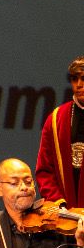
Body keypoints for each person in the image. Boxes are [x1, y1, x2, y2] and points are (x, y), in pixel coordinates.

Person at [35, 55, 84, 207]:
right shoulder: (56, 119)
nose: (79, 84)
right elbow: (44, 171)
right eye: (74, 79)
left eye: (83, 78)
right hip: (65, 215)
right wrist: (59, 203)